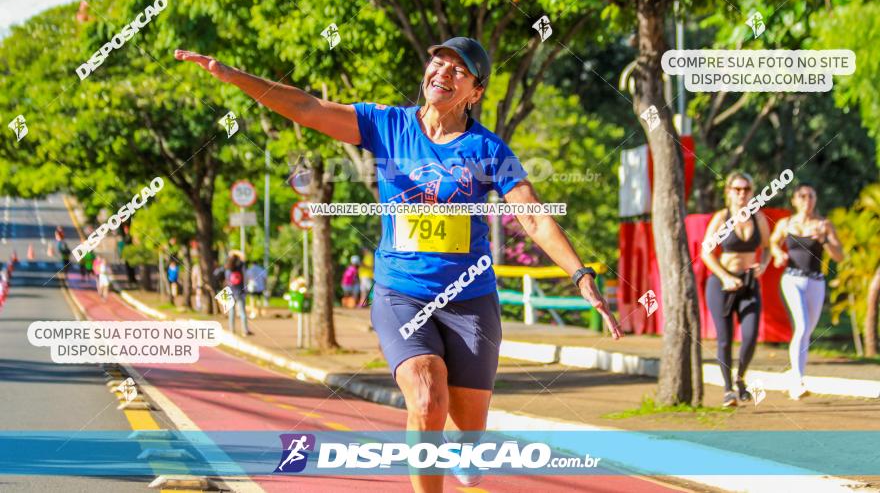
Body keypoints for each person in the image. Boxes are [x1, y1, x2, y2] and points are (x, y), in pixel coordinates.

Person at [177, 36, 621, 492]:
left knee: (469, 437)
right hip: (401, 293)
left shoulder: (487, 150)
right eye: (438, 63)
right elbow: (307, 108)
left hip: (470, 298)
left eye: (458, 70)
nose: (442, 73)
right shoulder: (385, 125)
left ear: (476, 91)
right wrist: (235, 77)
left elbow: (531, 215)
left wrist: (579, 272)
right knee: (428, 396)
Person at [701, 172, 771, 407]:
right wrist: (725, 277)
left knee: (750, 337)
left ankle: (740, 379)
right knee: (725, 339)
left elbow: (768, 248)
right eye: (737, 189)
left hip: (749, 284)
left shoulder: (758, 218)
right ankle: (728, 390)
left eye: (747, 189)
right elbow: (706, 252)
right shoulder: (722, 218)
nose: (742, 194)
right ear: (728, 192)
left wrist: (763, 264)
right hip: (721, 285)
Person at [769, 183, 844, 399]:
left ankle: (793, 375)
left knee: (806, 332)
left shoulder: (824, 225)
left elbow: (839, 256)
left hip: (816, 281)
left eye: (811, 196)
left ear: (815, 200)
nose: (806, 200)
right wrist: (777, 254)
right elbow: (773, 243)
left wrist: (826, 241)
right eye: (802, 196)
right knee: (801, 327)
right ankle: (798, 382)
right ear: (794, 200)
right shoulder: (786, 224)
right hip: (792, 279)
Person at [224, 254, 250, 335]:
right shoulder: (241, 268)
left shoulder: (227, 269)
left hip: (230, 292)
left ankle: (232, 330)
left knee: (231, 312)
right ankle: (245, 331)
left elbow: (226, 280)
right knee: (242, 312)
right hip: (240, 291)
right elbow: (246, 278)